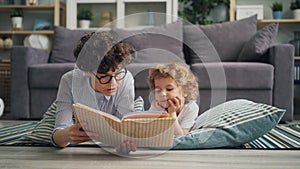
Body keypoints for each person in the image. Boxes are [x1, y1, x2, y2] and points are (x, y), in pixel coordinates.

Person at [52, 31, 136, 154]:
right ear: (86, 71)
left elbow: (125, 126)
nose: (113, 84)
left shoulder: (126, 78)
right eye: (104, 77)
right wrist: (67, 135)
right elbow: (59, 133)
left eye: (118, 74)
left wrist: (124, 142)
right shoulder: (69, 80)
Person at [147, 63, 199, 136]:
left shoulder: (190, 108)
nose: (163, 94)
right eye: (158, 90)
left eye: (169, 89)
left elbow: (180, 137)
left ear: (185, 91)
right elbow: (149, 133)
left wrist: (172, 114)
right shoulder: (157, 106)